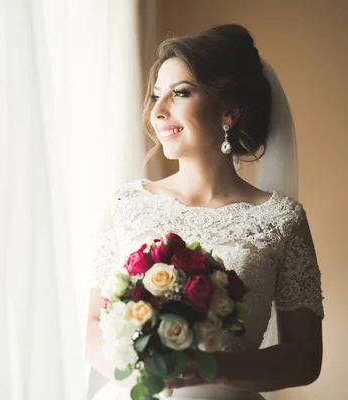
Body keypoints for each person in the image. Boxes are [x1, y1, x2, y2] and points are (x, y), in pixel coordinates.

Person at [84, 24, 324, 400]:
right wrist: (140, 370)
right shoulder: (126, 206)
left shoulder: (280, 221)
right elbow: (96, 326)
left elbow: (306, 358)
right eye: (156, 95)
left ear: (229, 111)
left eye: (180, 93)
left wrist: (212, 369)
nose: (158, 111)